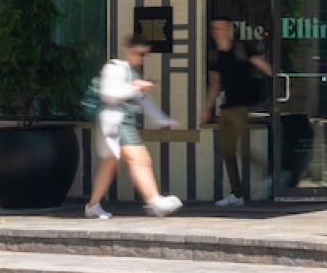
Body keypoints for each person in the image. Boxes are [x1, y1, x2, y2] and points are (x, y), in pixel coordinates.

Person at [86, 34, 184, 219]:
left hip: (122, 121)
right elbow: (108, 95)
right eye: (139, 53)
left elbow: (145, 102)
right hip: (115, 120)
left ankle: (92, 205)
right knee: (139, 158)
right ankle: (154, 201)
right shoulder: (114, 68)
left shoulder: (132, 73)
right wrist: (135, 88)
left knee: (109, 164)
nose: (142, 58)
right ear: (128, 50)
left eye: (145, 55)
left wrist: (164, 120)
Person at [200, 19, 275, 207]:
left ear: (231, 30)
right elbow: (215, 83)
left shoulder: (242, 48)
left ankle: (268, 174)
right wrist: (207, 107)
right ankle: (238, 193)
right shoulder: (215, 54)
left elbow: (266, 67)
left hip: (242, 105)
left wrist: (276, 90)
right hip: (226, 106)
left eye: (222, 28)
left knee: (237, 149)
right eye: (215, 28)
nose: (218, 31)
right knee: (228, 151)